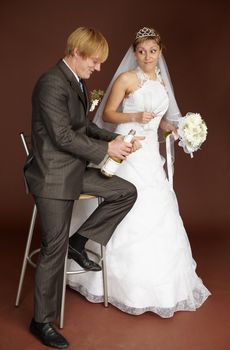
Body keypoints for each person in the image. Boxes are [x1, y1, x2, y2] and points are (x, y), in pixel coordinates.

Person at [67, 26, 211, 317]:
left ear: (160, 52)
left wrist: (175, 127)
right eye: (142, 51)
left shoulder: (161, 81)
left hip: (148, 154)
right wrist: (134, 116)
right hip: (126, 146)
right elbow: (107, 114)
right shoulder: (126, 78)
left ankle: (155, 285)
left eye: (152, 51)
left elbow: (158, 119)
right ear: (134, 53)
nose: (147, 56)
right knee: (128, 202)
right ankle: (106, 274)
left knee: (157, 207)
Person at [24, 27, 144, 349]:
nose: (99, 68)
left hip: (74, 171)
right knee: (53, 247)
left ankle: (80, 241)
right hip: (51, 176)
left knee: (125, 191)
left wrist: (113, 139)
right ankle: (42, 321)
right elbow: (63, 136)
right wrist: (107, 152)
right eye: (94, 61)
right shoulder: (50, 83)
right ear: (76, 52)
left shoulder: (76, 80)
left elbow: (84, 126)